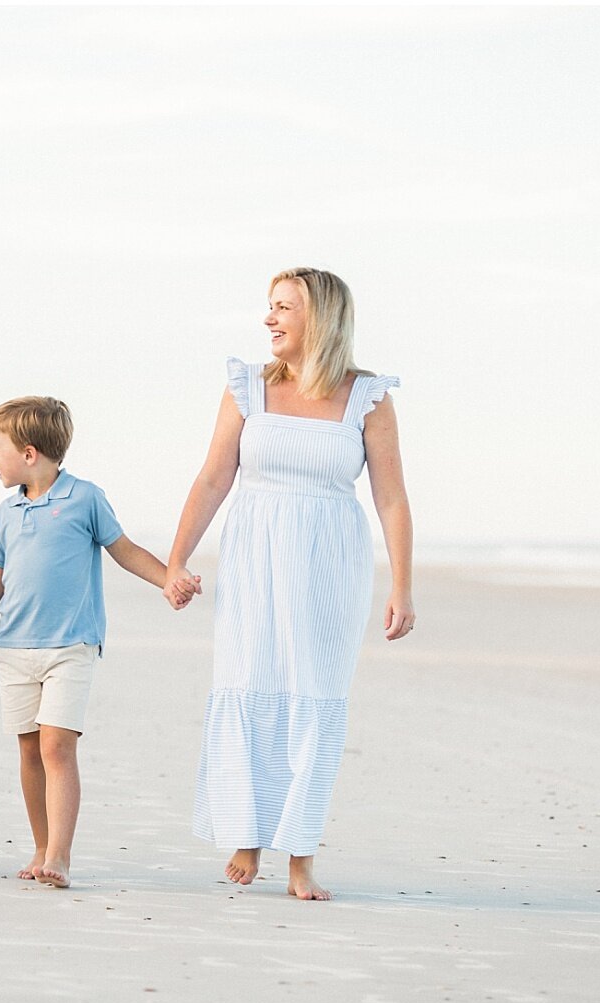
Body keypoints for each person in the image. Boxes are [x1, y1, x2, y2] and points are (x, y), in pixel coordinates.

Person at [164, 267, 415, 900]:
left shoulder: (369, 398)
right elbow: (213, 479)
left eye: (284, 308)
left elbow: (391, 498)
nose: (270, 319)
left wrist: (402, 586)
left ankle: (301, 854)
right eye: (269, 307)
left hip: (329, 562)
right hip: (254, 558)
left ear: (321, 319)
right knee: (250, 683)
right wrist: (177, 561)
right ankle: (247, 834)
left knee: (315, 697)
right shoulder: (247, 388)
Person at [0, 397, 171, 888]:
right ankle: (41, 846)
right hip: (14, 648)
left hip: (72, 646)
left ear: (28, 453)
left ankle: (60, 856)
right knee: (29, 752)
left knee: (57, 747)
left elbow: (125, 551)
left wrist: (169, 579)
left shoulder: (85, 498)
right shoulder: (7, 511)